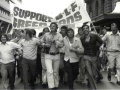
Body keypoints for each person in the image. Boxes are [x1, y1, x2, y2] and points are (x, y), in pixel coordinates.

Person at [41, 22, 63, 89]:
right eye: (51, 26)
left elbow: (61, 44)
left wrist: (55, 42)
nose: (52, 27)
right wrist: (44, 45)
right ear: (50, 27)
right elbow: (41, 41)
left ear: (56, 28)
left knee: (56, 72)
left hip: (56, 55)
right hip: (48, 55)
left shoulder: (59, 35)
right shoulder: (46, 34)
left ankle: (56, 85)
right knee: (49, 71)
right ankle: (51, 86)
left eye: (54, 26)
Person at [81, 25, 103, 90]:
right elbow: (79, 46)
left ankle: (89, 82)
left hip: (94, 56)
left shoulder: (95, 36)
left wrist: (100, 47)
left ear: (89, 29)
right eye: (84, 29)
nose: (85, 29)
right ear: (82, 30)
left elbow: (102, 42)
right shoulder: (81, 38)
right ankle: (94, 88)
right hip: (86, 56)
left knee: (93, 74)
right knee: (90, 73)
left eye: (86, 28)